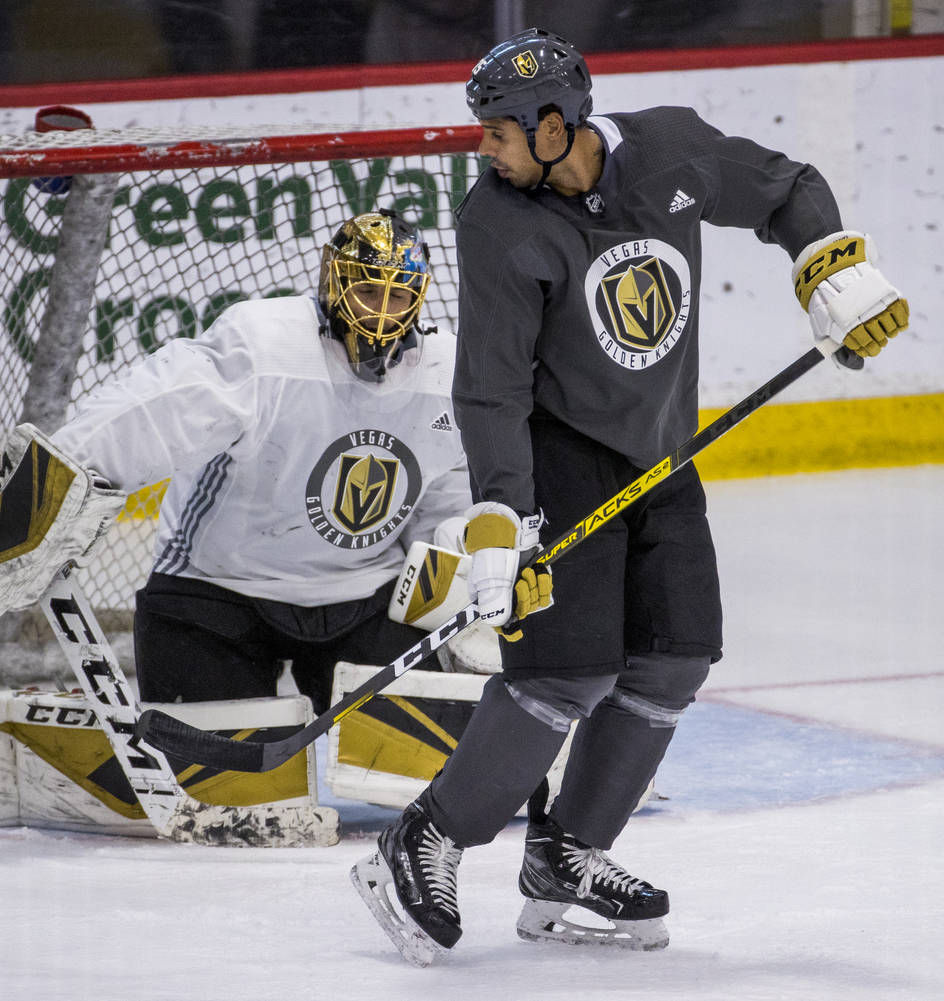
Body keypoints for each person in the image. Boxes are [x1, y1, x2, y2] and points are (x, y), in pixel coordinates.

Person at [351, 28, 908, 966]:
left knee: (674, 659)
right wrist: (499, 518)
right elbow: (491, 386)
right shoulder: (496, 218)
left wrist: (831, 268)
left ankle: (568, 851)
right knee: (565, 673)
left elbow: (787, 188)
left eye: (497, 131)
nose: (481, 147)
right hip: (561, 452)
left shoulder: (670, 150)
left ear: (556, 123)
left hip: (662, 449)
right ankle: (430, 834)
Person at [46, 209, 471, 715]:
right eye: (367, 291)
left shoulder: (446, 373)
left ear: (419, 297)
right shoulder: (266, 345)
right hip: (219, 592)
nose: (381, 312)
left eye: (397, 295)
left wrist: (468, 560)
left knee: (411, 768)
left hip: (366, 595)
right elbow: (159, 409)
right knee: (217, 784)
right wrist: (61, 472)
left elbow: (445, 497)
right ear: (332, 280)